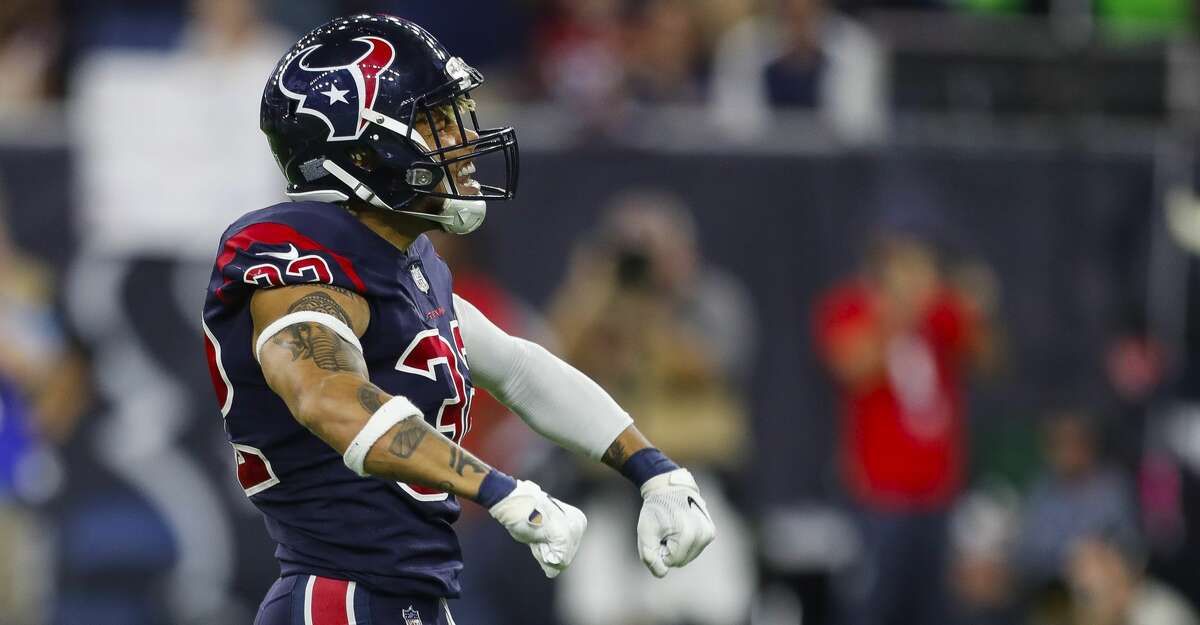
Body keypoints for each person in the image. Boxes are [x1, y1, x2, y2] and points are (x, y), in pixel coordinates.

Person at [200, 14, 717, 625]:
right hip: (340, 595)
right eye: (435, 120)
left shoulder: (408, 266)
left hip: (401, 597)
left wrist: (654, 469)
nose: (461, 139)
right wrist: (497, 488)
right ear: (363, 150)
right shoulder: (298, 265)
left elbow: (521, 370)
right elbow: (329, 396)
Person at [813, 228, 995, 625]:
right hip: (880, 493)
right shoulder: (853, 307)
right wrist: (899, 310)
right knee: (873, 605)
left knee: (936, 606)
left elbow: (987, 359)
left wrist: (976, 307)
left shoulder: (940, 311)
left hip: (938, 489)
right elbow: (851, 366)